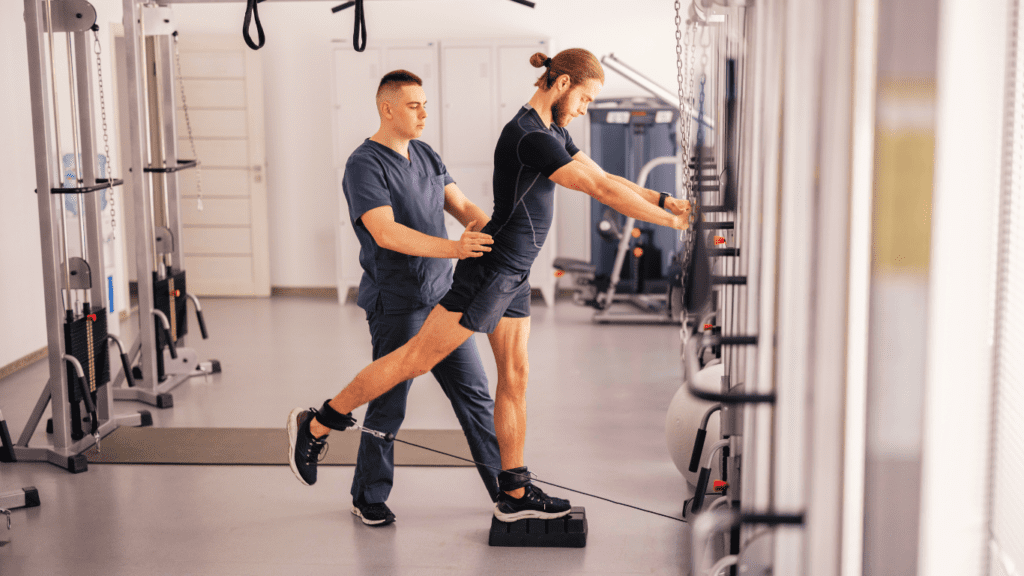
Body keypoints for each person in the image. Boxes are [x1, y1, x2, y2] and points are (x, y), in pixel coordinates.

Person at [288, 49, 692, 523]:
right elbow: (597, 191)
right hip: (483, 275)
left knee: (513, 378)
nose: (585, 109)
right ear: (560, 85)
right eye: (584, 98)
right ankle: (317, 424)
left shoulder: (550, 132)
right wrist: (672, 223)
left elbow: (603, 175)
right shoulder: (527, 135)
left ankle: (514, 490)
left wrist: (668, 200)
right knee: (409, 365)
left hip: (511, 273)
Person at [287, 70, 501, 527]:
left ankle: (507, 490)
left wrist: (494, 233)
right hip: (398, 299)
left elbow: (463, 207)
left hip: (445, 298)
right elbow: (385, 233)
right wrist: (455, 247)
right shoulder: (364, 164)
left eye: (425, 103)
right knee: (389, 402)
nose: (424, 113)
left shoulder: (425, 153)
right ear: (387, 109)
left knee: (476, 396)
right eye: (413, 105)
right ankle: (367, 494)